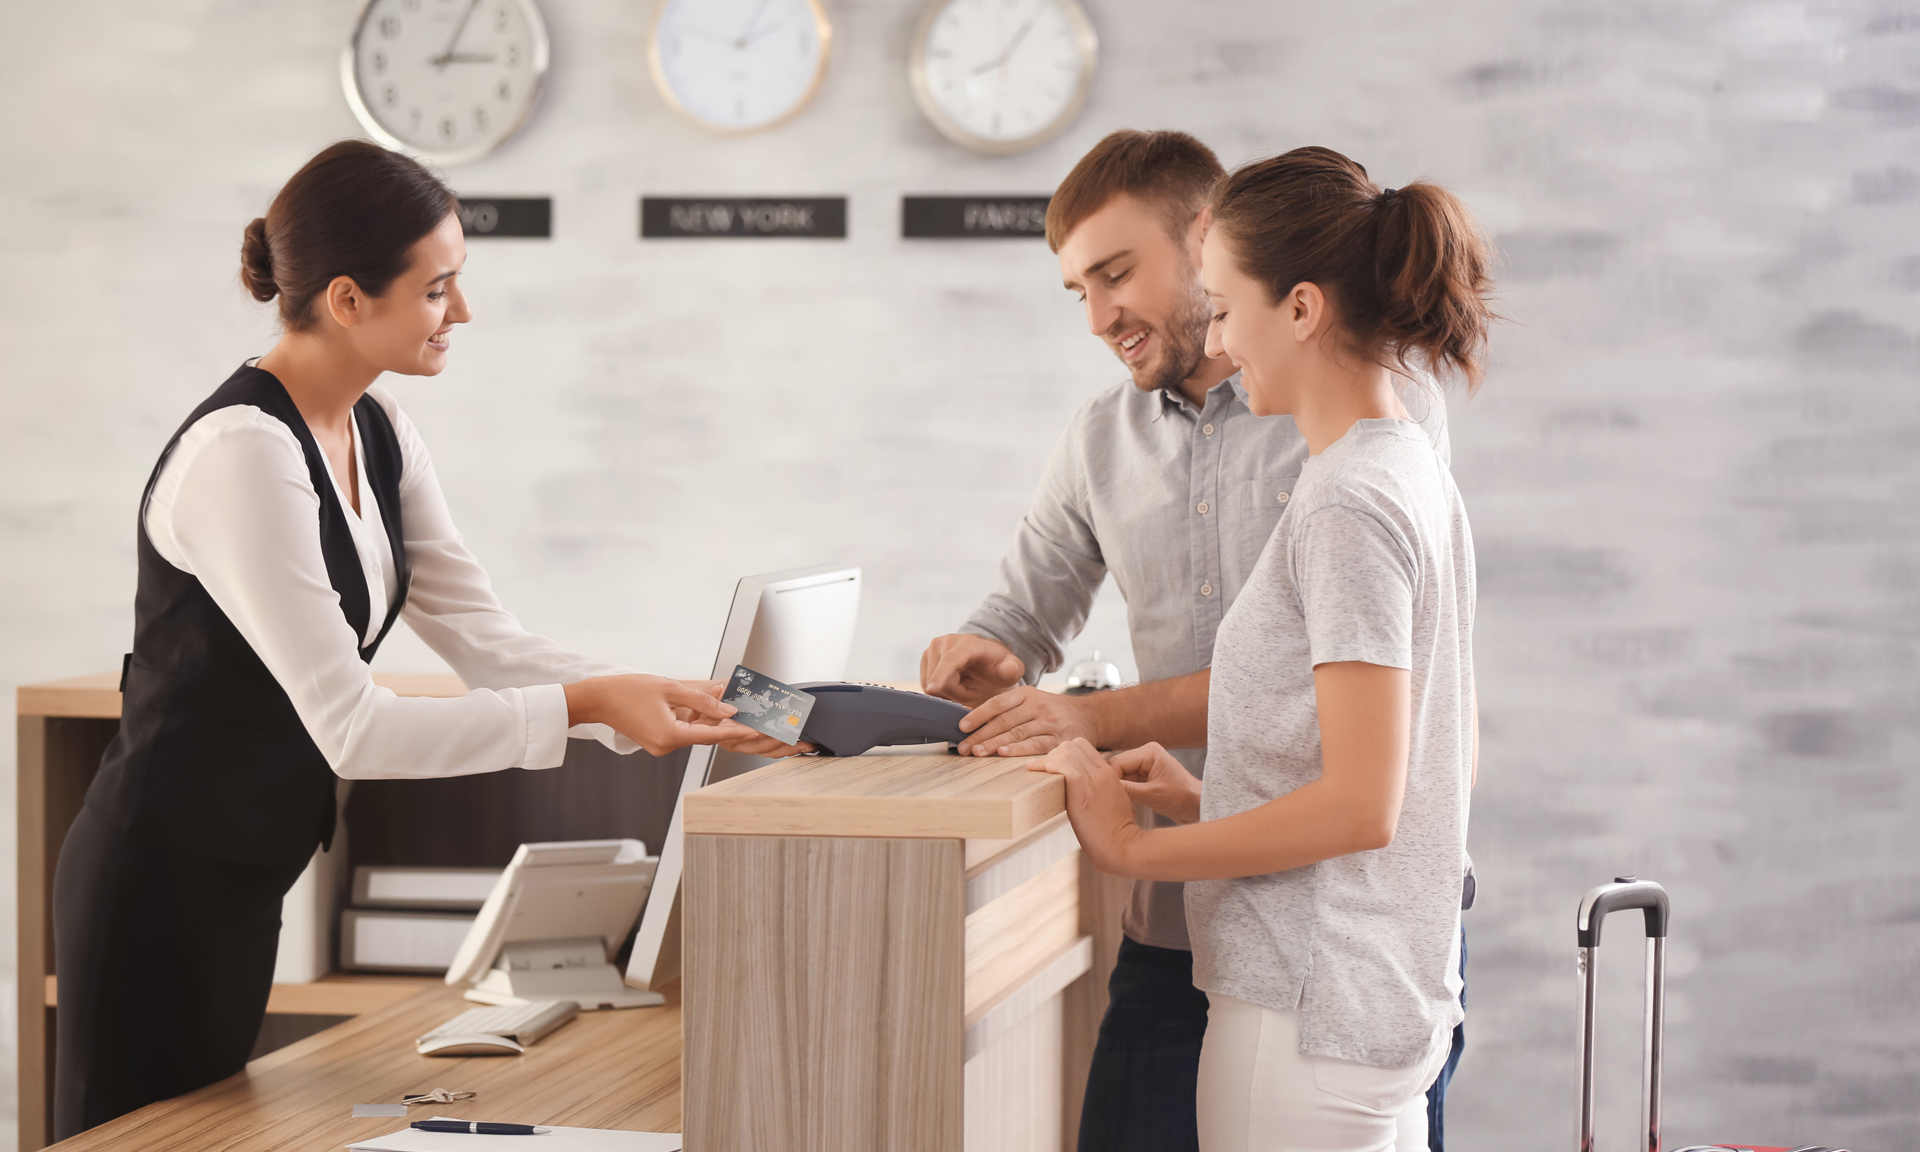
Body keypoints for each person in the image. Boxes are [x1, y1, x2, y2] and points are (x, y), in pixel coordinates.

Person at [51, 140, 787, 1139]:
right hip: (155, 883)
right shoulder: (241, 455)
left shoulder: (379, 429)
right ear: (349, 300)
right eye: (440, 289)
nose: (464, 314)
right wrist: (586, 707)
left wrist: (643, 693)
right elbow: (353, 730)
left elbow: (485, 639)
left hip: (246, 873)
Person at [918, 130, 1456, 1152]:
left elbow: (1337, 717)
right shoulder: (1100, 439)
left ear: (1206, 241)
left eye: (1115, 273)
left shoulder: (1363, 426)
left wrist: (1093, 742)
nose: (1097, 316)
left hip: (1331, 939)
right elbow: (1019, 613)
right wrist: (982, 657)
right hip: (1187, 917)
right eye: (1075, 289)